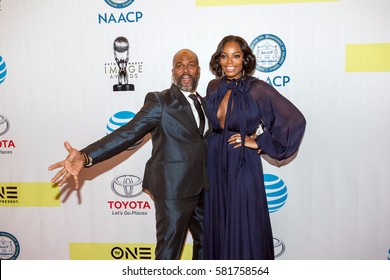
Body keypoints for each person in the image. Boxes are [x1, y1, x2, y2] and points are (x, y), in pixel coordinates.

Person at [48, 49, 211, 260]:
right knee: (169, 254)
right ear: (173, 72)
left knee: (207, 242)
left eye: (191, 65)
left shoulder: (205, 103)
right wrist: (86, 156)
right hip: (173, 190)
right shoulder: (160, 101)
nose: (185, 70)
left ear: (198, 70)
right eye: (180, 65)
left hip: (203, 189)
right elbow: (128, 133)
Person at [203, 35, 306, 259]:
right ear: (218, 60)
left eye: (236, 56)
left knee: (243, 224)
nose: (230, 61)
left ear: (245, 60)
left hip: (241, 165)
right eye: (224, 56)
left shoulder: (257, 89)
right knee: (218, 222)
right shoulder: (213, 87)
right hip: (214, 164)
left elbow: (294, 120)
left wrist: (257, 141)